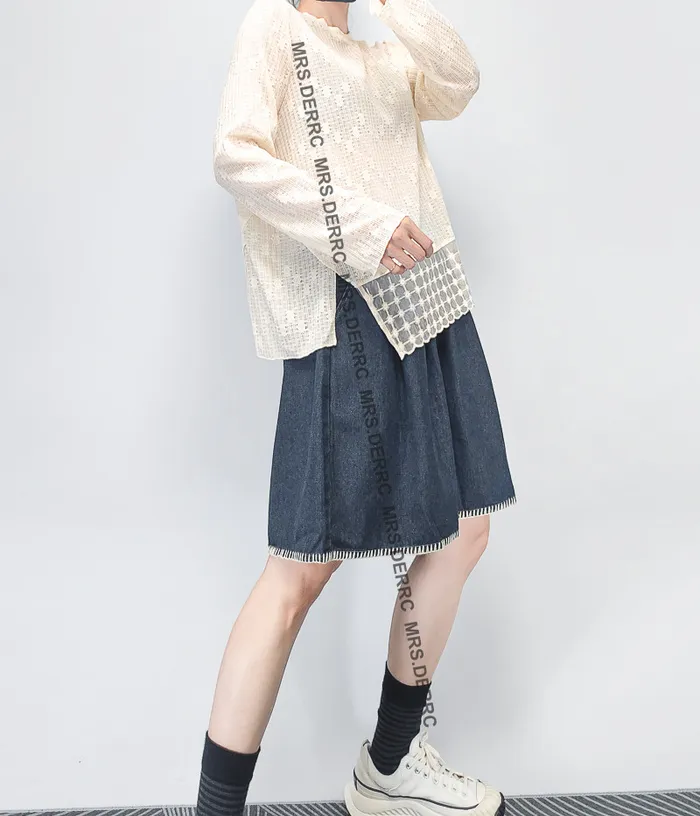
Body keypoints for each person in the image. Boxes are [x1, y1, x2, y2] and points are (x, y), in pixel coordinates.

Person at [196, 0, 516, 814]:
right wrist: (360, 228)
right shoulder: (273, 28)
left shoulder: (384, 59)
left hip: (430, 300)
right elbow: (236, 154)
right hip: (345, 312)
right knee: (300, 571)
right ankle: (216, 806)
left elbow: (458, 80)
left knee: (464, 531)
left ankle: (390, 763)